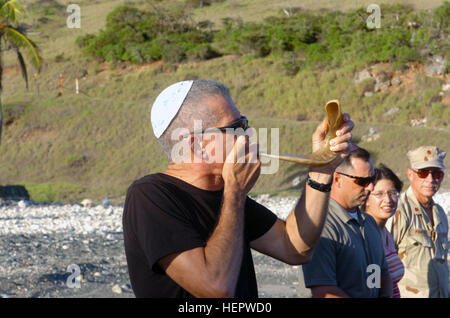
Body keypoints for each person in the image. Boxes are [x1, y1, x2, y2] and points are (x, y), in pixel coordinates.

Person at [122, 79, 354, 297]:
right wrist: (235, 192)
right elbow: (215, 288)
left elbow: (294, 248)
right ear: (198, 145)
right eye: (238, 126)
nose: (249, 134)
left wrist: (321, 172)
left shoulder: (223, 195)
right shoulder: (150, 195)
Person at [302, 147, 393, 298]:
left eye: (372, 179)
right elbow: (324, 291)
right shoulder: (321, 226)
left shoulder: (369, 222)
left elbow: (379, 273)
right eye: (362, 181)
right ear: (337, 179)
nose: (370, 187)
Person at [386, 146, 448, 298]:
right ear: (410, 174)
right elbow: (381, 260)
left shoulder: (440, 212)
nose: (430, 179)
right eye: (423, 172)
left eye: (437, 173)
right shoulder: (398, 210)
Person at [363, 163, 405, 298]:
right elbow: (372, 287)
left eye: (392, 193)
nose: (388, 200)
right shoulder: (366, 235)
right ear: (366, 198)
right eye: (379, 194)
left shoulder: (385, 232)